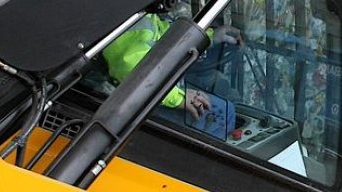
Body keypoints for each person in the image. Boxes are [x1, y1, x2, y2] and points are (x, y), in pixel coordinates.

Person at [100, 11, 241, 122]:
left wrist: (208, 36)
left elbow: (165, 37)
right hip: (129, 104)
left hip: (151, 90)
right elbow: (132, 69)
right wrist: (178, 98)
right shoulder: (130, 15)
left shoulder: (142, 12)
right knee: (223, 111)